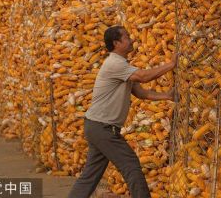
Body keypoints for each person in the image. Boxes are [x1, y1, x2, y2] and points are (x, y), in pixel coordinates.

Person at [67, 25, 177, 198]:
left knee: (90, 176)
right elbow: (144, 76)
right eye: (126, 37)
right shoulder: (114, 64)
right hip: (103, 128)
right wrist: (171, 64)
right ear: (116, 43)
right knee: (131, 165)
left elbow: (141, 93)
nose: (131, 38)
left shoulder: (122, 66)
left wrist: (167, 96)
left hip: (96, 126)